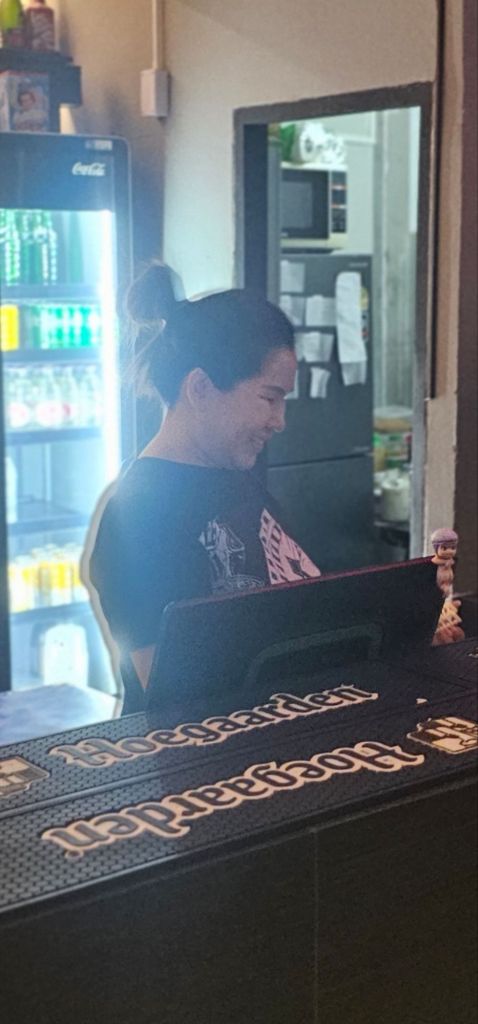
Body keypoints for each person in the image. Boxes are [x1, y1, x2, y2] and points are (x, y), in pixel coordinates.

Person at [84, 262, 320, 714]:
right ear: (200, 388)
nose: (279, 421)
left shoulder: (237, 480)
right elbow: (178, 694)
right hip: (203, 755)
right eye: (269, 398)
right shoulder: (138, 516)